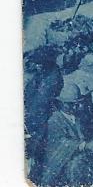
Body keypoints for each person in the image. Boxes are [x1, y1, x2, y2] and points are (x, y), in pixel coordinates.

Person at [41, 81, 93, 187]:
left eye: (77, 103)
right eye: (71, 104)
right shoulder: (55, 120)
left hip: (78, 161)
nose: (75, 107)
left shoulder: (77, 117)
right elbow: (61, 144)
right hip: (60, 167)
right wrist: (86, 146)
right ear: (61, 103)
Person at [24, 45, 63, 180]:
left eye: (40, 64)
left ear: (46, 63)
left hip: (41, 117)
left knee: (39, 150)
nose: (37, 66)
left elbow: (41, 102)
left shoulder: (52, 77)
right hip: (33, 115)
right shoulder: (41, 74)